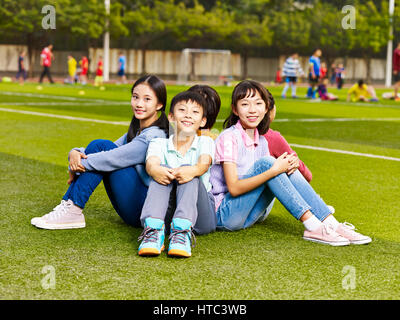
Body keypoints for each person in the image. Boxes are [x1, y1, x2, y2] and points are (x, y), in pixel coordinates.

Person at [210, 79, 371, 246]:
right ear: (235, 109)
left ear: (266, 108)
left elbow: (272, 175)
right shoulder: (228, 137)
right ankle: (312, 225)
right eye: (245, 104)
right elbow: (234, 188)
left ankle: (331, 224)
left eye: (258, 103)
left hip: (250, 216)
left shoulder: (262, 141)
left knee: (282, 163)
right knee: (269, 164)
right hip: (225, 215)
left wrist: (288, 165)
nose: (252, 110)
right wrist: (274, 170)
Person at [30, 75, 170, 230]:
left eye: (147, 99)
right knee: (100, 146)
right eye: (135, 97)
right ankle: (71, 208)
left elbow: (111, 158)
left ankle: (73, 209)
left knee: (101, 146)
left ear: (159, 104)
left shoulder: (154, 135)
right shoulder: (139, 131)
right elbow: (110, 151)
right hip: (136, 206)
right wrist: (75, 153)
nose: (139, 104)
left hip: (147, 211)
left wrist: (75, 165)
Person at [138, 91, 216, 258]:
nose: (188, 115)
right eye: (182, 110)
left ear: (202, 121)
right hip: (168, 212)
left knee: (189, 170)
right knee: (160, 169)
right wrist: (156, 170)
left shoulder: (205, 141)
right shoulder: (159, 143)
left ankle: (182, 231)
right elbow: (151, 163)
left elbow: (203, 164)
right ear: (171, 117)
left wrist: (191, 170)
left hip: (201, 215)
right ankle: (153, 230)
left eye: (195, 112)